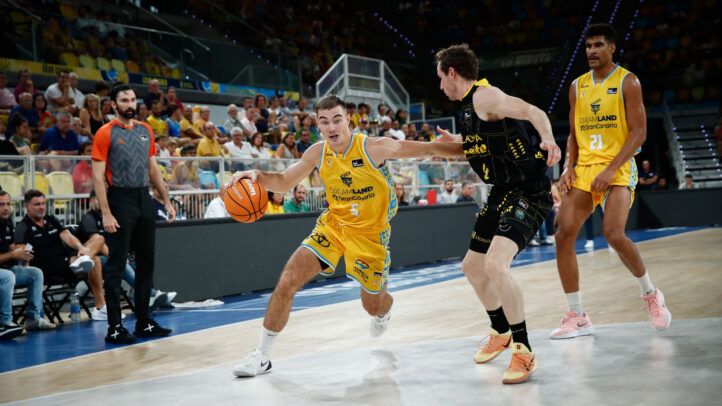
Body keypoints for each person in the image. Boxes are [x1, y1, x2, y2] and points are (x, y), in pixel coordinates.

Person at [231, 94, 461, 378]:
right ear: (317, 124)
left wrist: (474, 147)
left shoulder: (374, 148)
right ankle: (261, 355)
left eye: (337, 119)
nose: (331, 127)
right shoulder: (317, 152)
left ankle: (384, 309)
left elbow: (430, 147)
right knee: (288, 279)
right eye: (325, 122)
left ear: (347, 120)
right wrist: (256, 174)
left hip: (370, 235)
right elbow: (284, 181)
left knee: (372, 305)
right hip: (334, 226)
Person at [434, 44, 561, 384]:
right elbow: (480, 147)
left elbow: (532, 111)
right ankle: (501, 331)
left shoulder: (485, 96)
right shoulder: (465, 111)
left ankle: (524, 350)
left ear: (451, 73)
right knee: (472, 266)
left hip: (529, 191)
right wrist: (454, 144)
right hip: (502, 191)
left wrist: (548, 138)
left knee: (494, 265)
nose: (440, 87)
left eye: (440, 78)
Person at [552, 24, 671, 342]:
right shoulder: (577, 85)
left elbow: (639, 133)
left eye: (598, 45)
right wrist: (567, 167)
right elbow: (574, 134)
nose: (591, 50)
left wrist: (610, 169)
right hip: (585, 169)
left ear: (612, 48)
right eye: (588, 45)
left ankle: (650, 294)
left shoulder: (628, 81)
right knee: (563, 236)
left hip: (617, 169)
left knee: (614, 234)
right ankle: (577, 316)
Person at [91, 83, 175, 344]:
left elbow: (153, 169)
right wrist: (105, 212)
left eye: (132, 100)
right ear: (114, 105)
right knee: (116, 266)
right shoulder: (105, 133)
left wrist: (166, 200)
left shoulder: (145, 130)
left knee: (146, 264)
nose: (130, 104)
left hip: (143, 197)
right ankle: (114, 327)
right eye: (124, 100)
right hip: (119, 199)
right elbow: (96, 175)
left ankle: (143, 322)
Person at [14, 190, 107, 319]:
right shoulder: (23, 227)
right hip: (45, 267)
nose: (41, 207)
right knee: (94, 261)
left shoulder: (51, 219)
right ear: (27, 207)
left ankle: (100, 308)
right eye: (37, 204)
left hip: (65, 261)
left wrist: (81, 248)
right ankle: (101, 307)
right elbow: (21, 252)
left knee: (98, 245)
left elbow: (67, 235)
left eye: (43, 203)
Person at [79, 190, 175, 311]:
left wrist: (128, 254)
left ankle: (144, 301)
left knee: (141, 263)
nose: (105, 203)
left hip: (114, 256)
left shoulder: (110, 217)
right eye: (100, 199)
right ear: (92, 203)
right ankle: (151, 294)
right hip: (95, 260)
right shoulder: (89, 219)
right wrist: (120, 256)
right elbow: (97, 242)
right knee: (120, 264)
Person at [0, 191, 55, 333]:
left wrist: (21, 252)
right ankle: (5, 322)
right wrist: (12, 254)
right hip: (5, 274)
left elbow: (10, 246)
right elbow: (9, 253)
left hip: (7, 269)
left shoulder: (7, 222)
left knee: (34, 273)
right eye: (1, 205)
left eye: (8, 204)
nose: (6, 208)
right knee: (7, 276)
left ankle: (33, 319)